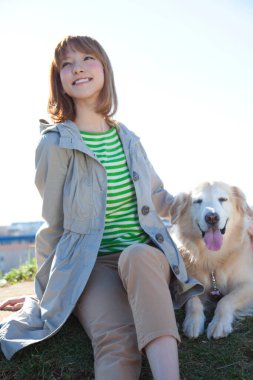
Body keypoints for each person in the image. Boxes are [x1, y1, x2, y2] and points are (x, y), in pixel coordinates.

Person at [0, 35, 209, 380]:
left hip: (145, 258)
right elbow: (52, 224)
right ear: (60, 80)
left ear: (104, 69)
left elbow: (159, 198)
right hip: (90, 267)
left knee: (137, 256)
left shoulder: (127, 137)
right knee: (117, 339)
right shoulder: (55, 144)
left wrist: (215, 218)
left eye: (86, 59)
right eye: (67, 63)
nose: (77, 67)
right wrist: (42, 296)